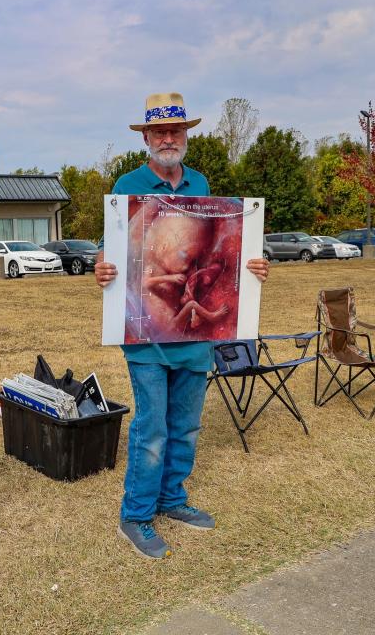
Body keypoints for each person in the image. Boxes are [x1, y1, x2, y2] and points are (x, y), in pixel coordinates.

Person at [95, 92, 269, 559]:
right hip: (147, 336)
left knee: (187, 425)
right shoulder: (127, 184)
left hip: (196, 337)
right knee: (152, 427)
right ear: (146, 138)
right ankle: (136, 516)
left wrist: (250, 267)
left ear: (185, 136)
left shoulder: (201, 183)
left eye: (176, 130)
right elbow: (110, 250)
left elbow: (218, 249)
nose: (168, 139)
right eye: (159, 132)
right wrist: (103, 266)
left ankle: (173, 500)